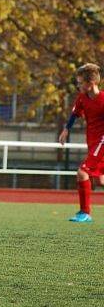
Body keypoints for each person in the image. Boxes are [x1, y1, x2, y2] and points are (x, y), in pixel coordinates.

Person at [58, 63, 104, 223]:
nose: (78, 86)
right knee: (100, 180)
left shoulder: (103, 100)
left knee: (82, 173)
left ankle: (85, 212)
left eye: (80, 83)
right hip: (92, 143)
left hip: (102, 143)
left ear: (91, 83)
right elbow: (74, 114)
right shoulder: (82, 99)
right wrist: (66, 130)